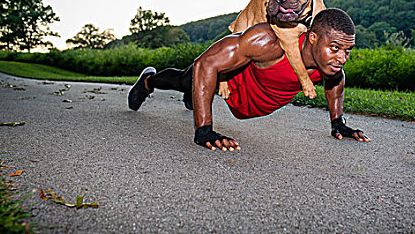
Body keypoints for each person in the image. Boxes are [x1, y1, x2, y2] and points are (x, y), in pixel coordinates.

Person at [128, 8, 370, 151]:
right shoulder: (269, 41)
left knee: (194, 90)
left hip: (248, 104)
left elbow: (336, 83)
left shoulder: (329, 66)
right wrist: (204, 130)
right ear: (313, 38)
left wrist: (337, 123)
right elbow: (206, 64)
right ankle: (148, 81)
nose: (342, 58)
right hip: (229, 80)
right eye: (336, 48)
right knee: (186, 80)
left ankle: (193, 97)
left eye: (347, 51)